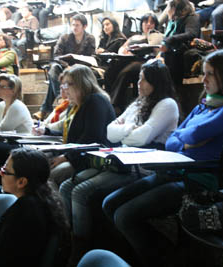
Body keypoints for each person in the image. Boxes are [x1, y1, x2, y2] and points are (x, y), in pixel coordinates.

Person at [102, 49, 223, 266]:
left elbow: (193, 134)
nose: (203, 80)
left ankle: (170, 260)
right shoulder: (204, 105)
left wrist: (189, 138)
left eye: (210, 74)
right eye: (203, 73)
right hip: (175, 171)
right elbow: (173, 140)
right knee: (109, 204)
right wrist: (189, 140)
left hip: (201, 180)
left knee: (125, 215)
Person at [59, 59, 179, 264]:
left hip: (143, 169)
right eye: (139, 79)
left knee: (80, 191)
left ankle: (82, 246)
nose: (138, 84)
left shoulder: (167, 104)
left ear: (156, 82)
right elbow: (110, 131)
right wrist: (130, 130)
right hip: (121, 163)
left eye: (144, 80)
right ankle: (69, 237)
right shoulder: (138, 103)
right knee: (66, 186)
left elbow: (140, 138)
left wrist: (126, 130)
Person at [38, 64, 117, 187]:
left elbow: (91, 137)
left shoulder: (96, 101)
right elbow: (71, 134)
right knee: (36, 161)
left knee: (53, 174)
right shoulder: (75, 105)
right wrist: (47, 131)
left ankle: (53, 206)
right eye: (63, 85)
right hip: (77, 154)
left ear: (81, 83)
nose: (64, 89)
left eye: (67, 84)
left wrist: (66, 157)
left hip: (92, 157)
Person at [33, 13, 96, 121]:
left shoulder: (90, 38)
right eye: (73, 25)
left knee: (53, 80)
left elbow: (90, 56)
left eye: (77, 25)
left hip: (81, 68)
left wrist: (75, 67)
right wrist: (67, 66)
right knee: (53, 69)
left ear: (84, 26)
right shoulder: (65, 37)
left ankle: (45, 109)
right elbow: (57, 55)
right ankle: (61, 98)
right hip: (64, 67)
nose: (74, 27)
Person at [108, 13, 163, 113]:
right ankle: (111, 102)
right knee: (111, 68)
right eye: (146, 22)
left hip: (145, 61)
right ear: (142, 23)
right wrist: (124, 51)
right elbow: (122, 48)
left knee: (129, 70)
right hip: (129, 59)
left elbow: (158, 51)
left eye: (152, 22)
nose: (148, 24)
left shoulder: (156, 36)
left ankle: (114, 104)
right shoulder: (135, 37)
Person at [159, 0, 200, 87]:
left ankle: (174, 90)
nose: (167, 11)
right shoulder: (174, 21)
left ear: (175, 9)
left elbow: (191, 34)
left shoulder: (191, 17)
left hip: (185, 50)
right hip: (172, 50)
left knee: (173, 57)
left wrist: (170, 39)